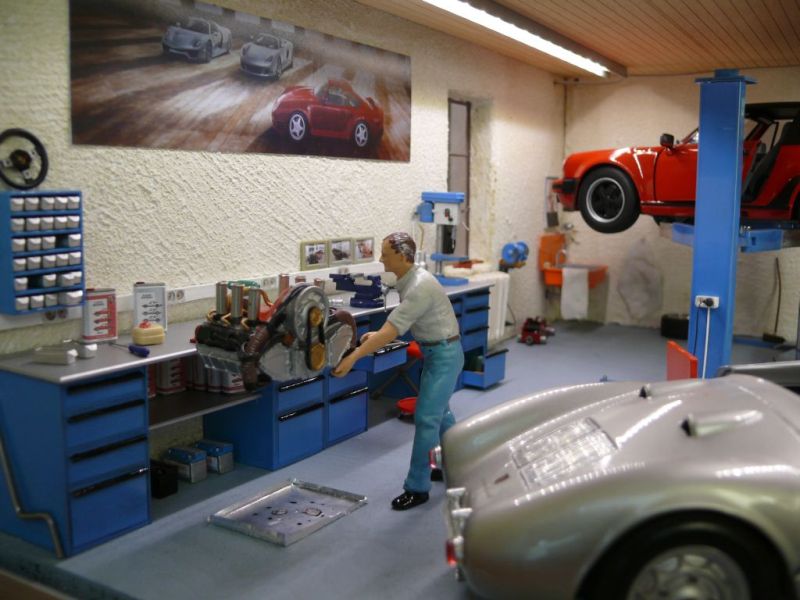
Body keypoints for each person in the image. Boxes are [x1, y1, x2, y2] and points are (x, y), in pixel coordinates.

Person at [332, 232, 463, 510]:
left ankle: (417, 487)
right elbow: (403, 325)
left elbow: (392, 329)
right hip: (436, 351)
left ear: (402, 257)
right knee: (440, 414)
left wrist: (354, 356)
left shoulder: (419, 286)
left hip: (444, 355)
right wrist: (379, 335)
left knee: (426, 418)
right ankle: (453, 463)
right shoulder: (409, 280)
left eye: (386, 254)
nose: (381, 259)